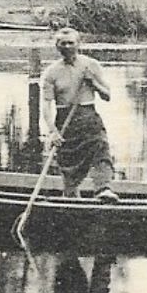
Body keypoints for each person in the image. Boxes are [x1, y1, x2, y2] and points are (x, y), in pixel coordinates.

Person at [41, 27, 119, 202]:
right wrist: (53, 131)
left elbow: (107, 96)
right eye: (63, 43)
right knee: (68, 165)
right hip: (65, 119)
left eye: (71, 43)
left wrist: (93, 83)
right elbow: (46, 105)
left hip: (88, 116)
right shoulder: (51, 72)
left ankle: (103, 189)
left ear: (78, 44)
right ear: (57, 46)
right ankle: (71, 200)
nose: (67, 47)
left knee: (100, 148)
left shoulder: (91, 65)